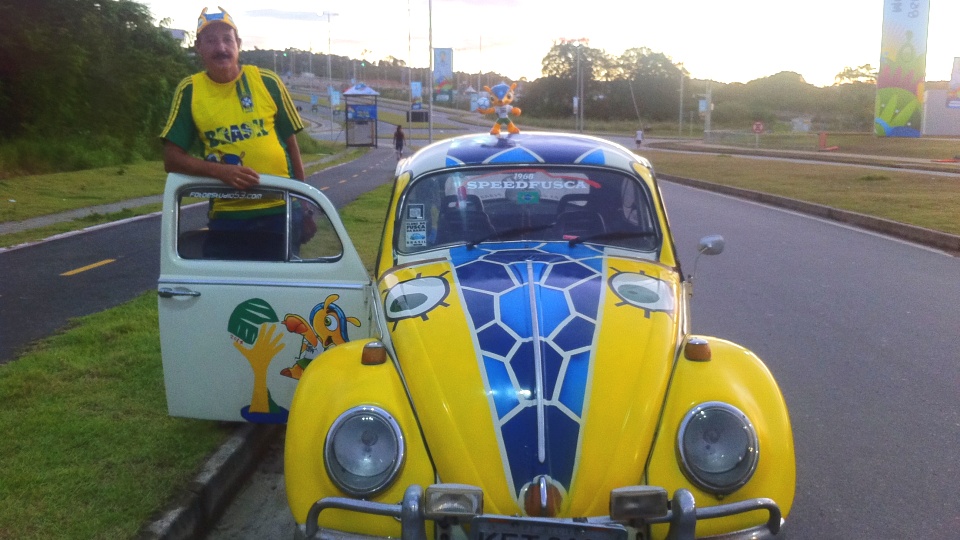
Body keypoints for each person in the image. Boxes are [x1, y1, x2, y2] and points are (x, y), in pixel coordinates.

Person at [160, 6, 306, 260]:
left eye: (228, 40)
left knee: (280, 292)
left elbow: (291, 145)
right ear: (199, 48)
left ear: (238, 44)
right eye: (211, 41)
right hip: (228, 215)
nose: (221, 48)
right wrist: (222, 171)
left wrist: (304, 205)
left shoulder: (267, 82)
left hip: (280, 210)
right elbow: (172, 159)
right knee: (230, 293)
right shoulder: (190, 90)